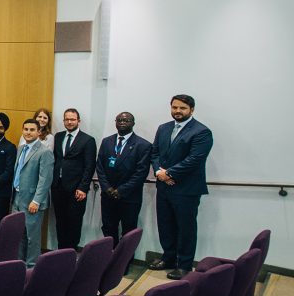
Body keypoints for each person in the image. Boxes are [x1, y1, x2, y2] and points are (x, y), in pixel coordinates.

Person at [149, 94, 213, 279]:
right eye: (174, 107)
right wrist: (159, 172)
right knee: (165, 225)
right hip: (164, 188)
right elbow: (155, 153)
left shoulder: (201, 131)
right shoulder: (163, 128)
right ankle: (168, 258)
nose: (177, 111)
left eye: (182, 108)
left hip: (187, 190)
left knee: (186, 228)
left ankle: (184, 265)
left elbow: (195, 159)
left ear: (191, 110)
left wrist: (168, 173)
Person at [96, 111, 152, 245]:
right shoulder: (107, 141)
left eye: (126, 120)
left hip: (129, 197)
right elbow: (100, 167)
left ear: (133, 123)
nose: (122, 122)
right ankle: (109, 258)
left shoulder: (143, 145)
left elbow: (141, 173)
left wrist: (120, 190)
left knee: (129, 231)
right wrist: (107, 188)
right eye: (119, 120)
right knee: (108, 228)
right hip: (108, 195)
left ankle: (124, 262)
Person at [51, 108, 97, 251]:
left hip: (76, 190)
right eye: (67, 119)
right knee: (60, 221)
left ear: (78, 121)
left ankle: (70, 253)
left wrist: (83, 187)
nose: (69, 122)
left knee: (73, 222)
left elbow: (90, 166)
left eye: (72, 119)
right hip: (58, 187)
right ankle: (60, 253)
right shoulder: (58, 137)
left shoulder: (88, 140)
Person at [12, 119, 55, 267]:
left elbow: (45, 179)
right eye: (25, 129)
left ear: (39, 132)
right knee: (18, 234)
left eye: (32, 130)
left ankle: (31, 267)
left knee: (32, 237)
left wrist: (36, 201)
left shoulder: (45, 151)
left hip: (32, 200)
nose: (28, 132)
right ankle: (19, 264)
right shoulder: (21, 148)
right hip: (17, 197)